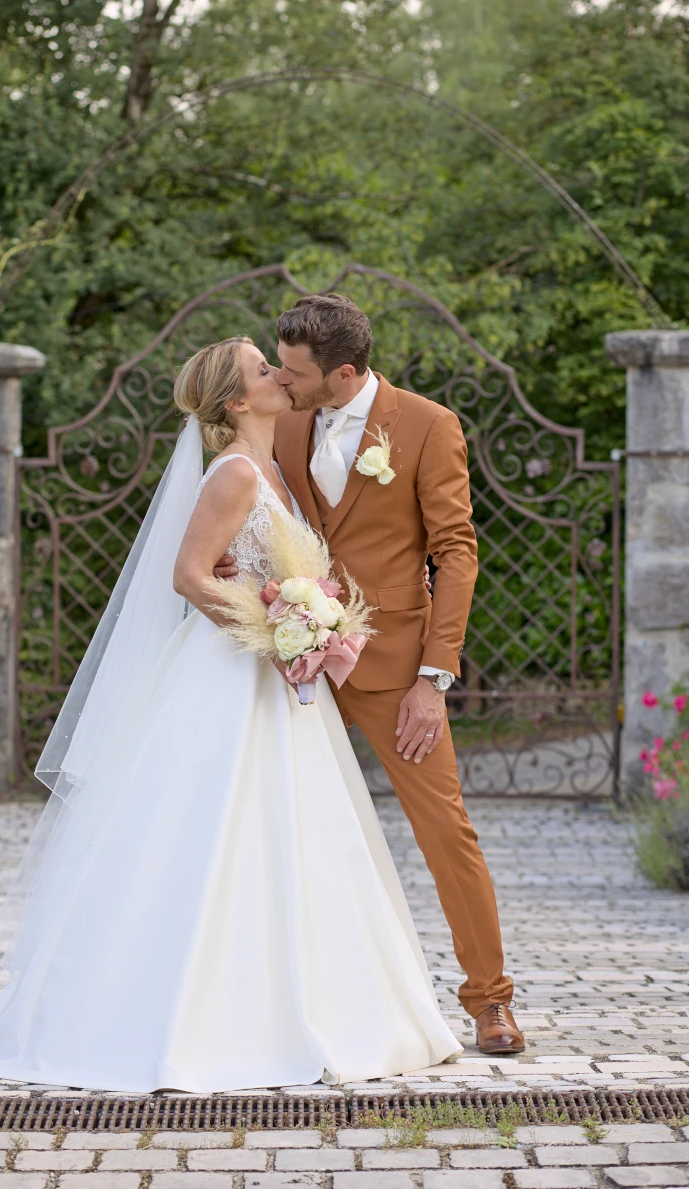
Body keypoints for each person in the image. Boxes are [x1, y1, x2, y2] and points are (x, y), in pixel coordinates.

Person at [0, 336, 461, 1092]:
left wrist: (300, 618)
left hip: (277, 681)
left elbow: (262, 564)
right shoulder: (232, 474)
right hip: (232, 672)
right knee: (209, 830)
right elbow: (188, 576)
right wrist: (276, 626)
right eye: (265, 369)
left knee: (293, 833)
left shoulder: (276, 469)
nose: (279, 376)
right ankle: (186, 1008)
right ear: (237, 400)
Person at [216, 296, 524, 1054]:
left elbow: (455, 553)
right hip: (291, 661)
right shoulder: (280, 420)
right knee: (261, 828)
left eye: (294, 371)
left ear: (344, 372)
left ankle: (490, 1002)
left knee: (445, 832)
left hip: (392, 669)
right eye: (279, 368)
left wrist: (435, 677)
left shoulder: (425, 425)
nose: (282, 381)